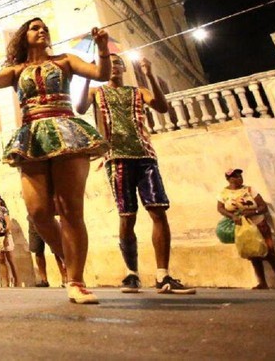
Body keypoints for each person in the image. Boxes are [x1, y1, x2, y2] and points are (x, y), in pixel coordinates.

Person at [0, 18, 110, 304]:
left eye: (44, 28)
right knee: (38, 211)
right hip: (32, 135)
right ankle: (67, 256)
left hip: (66, 129)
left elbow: (101, 74)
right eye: (35, 28)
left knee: (70, 209)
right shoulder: (18, 70)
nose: (41, 31)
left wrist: (102, 49)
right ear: (23, 37)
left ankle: (76, 280)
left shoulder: (66, 60)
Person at [76, 54, 195, 295]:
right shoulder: (97, 92)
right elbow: (80, 108)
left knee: (158, 210)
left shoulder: (138, 91)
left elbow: (162, 107)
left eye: (118, 64)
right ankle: (132, 273)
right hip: (116, 157)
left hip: (145, 155)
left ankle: (163, 274)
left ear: (123, 69)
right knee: (127, 215)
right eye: (110, 65)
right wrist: (88, 77)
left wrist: (150, 75)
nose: (114, 68)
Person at [218, 168, 275, 290]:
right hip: (243, 227)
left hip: (259, 224)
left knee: (269, 252)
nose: (239, 178)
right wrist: (232, 216)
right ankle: (262, 282)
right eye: (235, 176)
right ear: (229, 179)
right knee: (253, 253)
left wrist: (253, 211)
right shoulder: (223, 194)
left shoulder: (249, 190)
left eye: (240, 176)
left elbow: (263, 206)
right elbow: (220, 208)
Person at [26, 215, 67, 287]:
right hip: (33, 220)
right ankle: (44, 280)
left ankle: (65, 279)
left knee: (57, 249)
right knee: (37, 249)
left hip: (50, 219)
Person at [0, 198, 18, 287]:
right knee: (1, 259)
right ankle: (6, 281)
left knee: (10, 258)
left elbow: (8, 223)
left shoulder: (3, 210)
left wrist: (6, 236)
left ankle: (17, 281)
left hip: (5, 235)